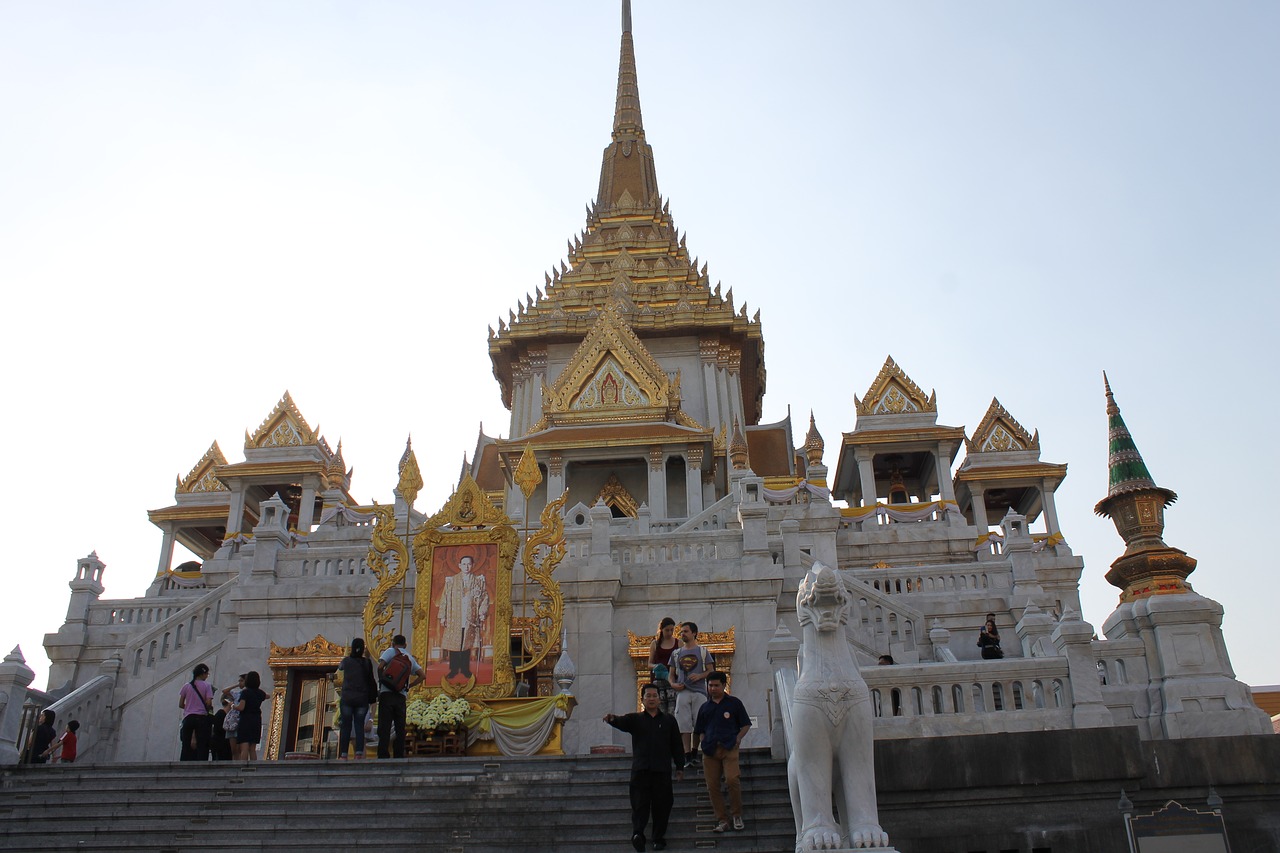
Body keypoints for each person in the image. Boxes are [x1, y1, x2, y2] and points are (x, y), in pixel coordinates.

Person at [604, 683, 686, 852]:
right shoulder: (636, 719)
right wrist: (612, 719)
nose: (651, 699)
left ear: (659, 699)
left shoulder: (669, 720)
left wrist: (680, 766)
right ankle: (638, 835)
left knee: (662, 805)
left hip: (662, 771)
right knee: (639, 805)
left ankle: (658, 838)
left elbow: (677, 744)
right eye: (648, 696)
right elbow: (622, 722)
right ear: (642, 699)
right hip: (641, 771)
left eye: (654, 696)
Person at [694, 671, 751, 833]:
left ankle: (736, 814)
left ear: (724, 685)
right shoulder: (705, 707)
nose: (712, 688)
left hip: (729, 747)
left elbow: (745, 724)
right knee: (712, 786)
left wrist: (738, 738)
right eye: (710, 685)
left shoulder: (734, 703)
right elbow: (699, 729)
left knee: (732, 780)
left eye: (716, 685)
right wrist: (702, 743)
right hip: (710, 750)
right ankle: (722, 819)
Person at [438, 555, 490, 680]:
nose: (466, 566)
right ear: (459, 565)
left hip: (469, 617)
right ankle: (454, 669)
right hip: (454, 616)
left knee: (466, 643)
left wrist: (482, 612)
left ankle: (465, 669)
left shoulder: (478, 581)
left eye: (469, 564)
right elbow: (444, 598)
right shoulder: (451, 581)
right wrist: (443, 616)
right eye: (464, 564)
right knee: (455, 644)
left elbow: (484, 598)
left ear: (472, 565)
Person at [669, 621, 713, 765]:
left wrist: (700, 676)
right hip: (683, 691)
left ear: (694, 633)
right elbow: (671, 674)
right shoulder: (676, 653)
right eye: (681, 632)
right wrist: (673, 684)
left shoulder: (703, 651)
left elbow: (711, 671)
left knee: (699, 723)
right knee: (684, 724)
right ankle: (686, 754)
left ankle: (695, 751)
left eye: (686, 631)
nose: (683, 634)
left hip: (699, 691)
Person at [377, 634, 424, 758]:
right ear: (405, 644)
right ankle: (398, 753)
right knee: (400, 726)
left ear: (393, 643)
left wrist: (383, 681)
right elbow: (422, 676)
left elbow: (380, 666)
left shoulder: (390, 651)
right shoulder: (409, 657)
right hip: (400, 694)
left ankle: (383, 753)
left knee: (385, 725)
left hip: (386, 693)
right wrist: (409, 686)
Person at [337, 637, 378, 759]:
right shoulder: (366, 662)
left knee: (346, 726)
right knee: (359, 725)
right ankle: (359, 752)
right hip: (361, 698)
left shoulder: (346, 661)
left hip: (347, 697)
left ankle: (344, 753)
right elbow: (371, 679)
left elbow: (340, 668)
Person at [178, 663, 214, 761]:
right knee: (202, 745)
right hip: (201, 718)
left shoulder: (187, 686)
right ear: (203, 674)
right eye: (207, 674)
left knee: (186, 745)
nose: (207, 676)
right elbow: (209, 703)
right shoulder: (207, 685)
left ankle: (183, 766)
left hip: (188, 718)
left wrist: (190, 707)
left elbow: (181, 704)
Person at [234, 671, 268, 761]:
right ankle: (254, 769)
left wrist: (233, 706)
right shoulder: (260, 693)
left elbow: (241, 707)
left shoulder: (245, 692)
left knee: (244, 747)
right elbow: (267, 696)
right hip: (256, 719)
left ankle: (242, 768)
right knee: (252, 749)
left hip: (246, 719)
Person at [648, 617, 679, 716]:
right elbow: (649, 664)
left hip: (673, 680)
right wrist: (657, 667)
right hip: (659, 680)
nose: (669, 633)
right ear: (661, 630)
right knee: (660, 709)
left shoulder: (679, 643)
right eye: (667, 630)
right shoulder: (655, 644)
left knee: (673, 709)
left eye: (671, 630)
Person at [221, 673, 246, 757]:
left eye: (242, 681)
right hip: (232, 720)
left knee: (240, 748)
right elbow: (224, 691)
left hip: (241, 720)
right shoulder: (237, 694)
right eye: (239, 681)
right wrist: (237, 685)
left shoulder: (246, 693)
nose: (240, 682)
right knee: (233, 749)